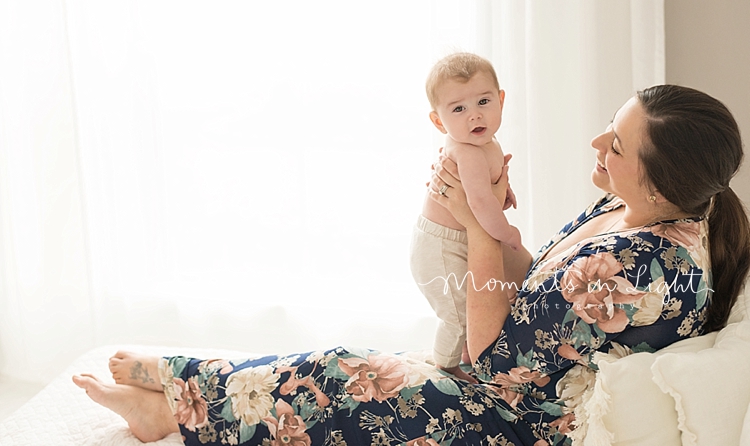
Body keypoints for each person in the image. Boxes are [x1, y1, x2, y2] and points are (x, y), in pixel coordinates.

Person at [73, 85, 749, 446]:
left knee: (338, 377)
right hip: (509, 381)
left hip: (507, 422)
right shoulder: (631, 207)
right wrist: (487, 213)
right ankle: (181, 394)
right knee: (339, 367)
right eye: (611, 122)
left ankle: (174, 407)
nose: (597, 141)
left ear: (660, 183)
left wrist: (469, 212)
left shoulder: (636, 272)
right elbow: (532, 273)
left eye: (619, 144)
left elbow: (488, 354)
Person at [410, 52, 521, 384]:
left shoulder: (486, 142)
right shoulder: (467, 152)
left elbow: (492, 186)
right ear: (439, 121)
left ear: (500, 100)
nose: (474, 116)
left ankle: (467, 353)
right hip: (439, 246)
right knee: (456, 313)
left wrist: (506, 192)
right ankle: (446, 366)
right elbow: (480, 204)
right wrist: (507, 233)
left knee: (472, 302)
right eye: (459, 109)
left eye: (483, 101)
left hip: (454, 238)